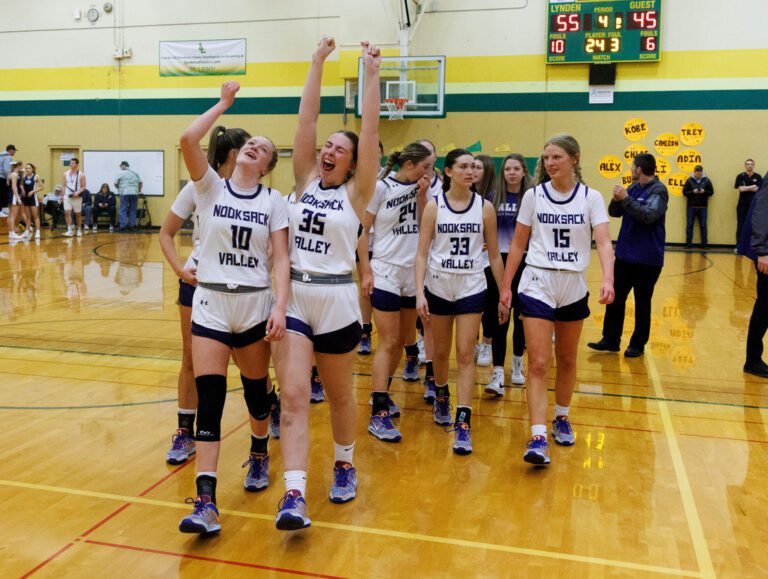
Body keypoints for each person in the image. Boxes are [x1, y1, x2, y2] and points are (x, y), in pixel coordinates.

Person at [270, 37, 381, 530]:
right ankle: (293, 493)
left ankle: (344, 463)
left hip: (338, 296)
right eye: (329, 147)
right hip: (294, 293)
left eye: (342, 148)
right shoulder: (303, 180)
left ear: (355, 163)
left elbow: (372, 128)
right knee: (293, 396)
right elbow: (307, 122)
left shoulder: (359, 192)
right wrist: (316, 62)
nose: (331, 149)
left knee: (339, 395)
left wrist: (371, 73)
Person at [176, 82, 289, 535]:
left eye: (261, 149)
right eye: (249, 144)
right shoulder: (209, 188)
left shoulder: (273, 201)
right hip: (211, 304)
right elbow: (187, 140)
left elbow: (281, 258)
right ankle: (206, 501)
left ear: (265, 167)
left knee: (257, 395)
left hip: (254, 304)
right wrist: (223, 105)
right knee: (211, 398)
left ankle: (259, 452)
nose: (252, 147)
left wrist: (280, 305)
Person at [500, 134, 614, 466]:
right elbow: (518, 246)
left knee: (566, 359)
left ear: (574, 159)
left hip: (573, 284)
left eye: (556, 157)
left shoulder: (591, 198)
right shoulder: (533, 196)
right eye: (546, 158)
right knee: (537, 362)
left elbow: (604, 243)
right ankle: (537, 435)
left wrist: (608, 278)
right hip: (537, 280)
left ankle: (561, 415)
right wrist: (506, 286)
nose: (550, 163)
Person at [415, 148, 507, 455]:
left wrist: (504, 292)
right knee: (440, 352)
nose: (471, 171)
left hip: (471, 285)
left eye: (474, 167)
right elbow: (422, 253)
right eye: (464, 166)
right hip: (439, 285)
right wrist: (418, 292)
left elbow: (493, 254)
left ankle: (463, 420)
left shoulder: (484, 208)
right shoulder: (433, 207)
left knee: (465, 354)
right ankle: (442, 393)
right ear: (450, 171)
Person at [363, 141, 434, 442]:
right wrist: (365, 270)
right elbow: (361, 230)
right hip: (385, 270)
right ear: (409, 165)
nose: (430, 172)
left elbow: (426, 224)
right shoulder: (381, 188)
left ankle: (382, 391)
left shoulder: (427, 189)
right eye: (426, 166)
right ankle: (378, 411)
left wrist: (422, 196)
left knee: (404, 339)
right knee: (388, 340)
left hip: (413, 272)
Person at [588, 153, 668, 358]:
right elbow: (615, 213)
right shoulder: (632, 188)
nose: (631, 169)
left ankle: (637, 344)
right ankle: (611, 339)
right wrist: (617, 200)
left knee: (642, 302)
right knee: (615, 299)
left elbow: (649, 215)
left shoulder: (659, 190)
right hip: (625, 256)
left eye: (633, 166)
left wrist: (626, 199)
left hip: (648, 259)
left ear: (639, 169)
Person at [484, 153, 530, 396]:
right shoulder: (493, 198)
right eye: (507, 169)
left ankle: (518, 364)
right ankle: (498, 372)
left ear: (524, 171)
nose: (511, 173)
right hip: (498, 262)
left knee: (522, 317)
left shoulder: (532, 197)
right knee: (499, 315)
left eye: (516, 168)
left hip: (525, 262)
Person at [472, 154, 497, 367]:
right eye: (470, 167)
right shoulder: (464, 195)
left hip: (489, 260)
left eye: (477, 167)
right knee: (471, 305)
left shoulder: (494, 198)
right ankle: (474, 341)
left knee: (489, 304)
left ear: (487, 170)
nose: (473, 171)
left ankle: (487, 343)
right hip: (469, 259)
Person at [744, 179, 768, 377]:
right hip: (767, 255)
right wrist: (762, 251)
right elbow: (761, 211)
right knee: (765, 306)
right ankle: (752, 360)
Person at [683, 164, 714, 249]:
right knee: (689, 225)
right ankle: (688, 244)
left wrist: (704, 191)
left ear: (702, 172)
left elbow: (711, 192)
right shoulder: (689, 180)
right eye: (697, 173)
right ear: (694, 172)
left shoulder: (707, 180)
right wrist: (693, 191)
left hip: (703, 207)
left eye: (700, 173)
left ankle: (704, 245)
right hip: (691, 206)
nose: (698, 175)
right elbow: (684, 192)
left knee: (703, 226)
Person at [735, 159, 762, 253]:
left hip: (753, 205)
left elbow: (758, 189)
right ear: (745, 165)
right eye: (748, 164)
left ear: (754, 165)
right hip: (742, 205)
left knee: (752, 226)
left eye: (751, 164)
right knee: (741, 225)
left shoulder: (758, 176)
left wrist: (746, 187)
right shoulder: (740, 176)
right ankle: (738, 247)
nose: (749, 166)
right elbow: (741, 189)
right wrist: (752, 186)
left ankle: (751, 248)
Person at [115, 161, 142, 231]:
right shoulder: (135, 172)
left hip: (124, 193)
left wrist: (119, 188)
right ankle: (131, 226)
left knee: (123, 209)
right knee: (133, 210)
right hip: (134, 193)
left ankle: (122, 226)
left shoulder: (120, 173)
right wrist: (138, 191)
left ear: (122, 166)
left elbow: (115, 183)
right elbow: (140, 182)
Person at [62, 157, 86, 237]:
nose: (70, 164)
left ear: (77, 164)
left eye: (72, 163)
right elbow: (64, 186)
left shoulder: (81, 174)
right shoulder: (65, 173)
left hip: (77, 196)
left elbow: (84, 186)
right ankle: (69, 230)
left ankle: (79, 229)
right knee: (67, 213)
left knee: (78, 214)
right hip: (67, 196)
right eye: (70, 163)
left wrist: (78, 192)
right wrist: (62, 196)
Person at [20, 163, 43, 239]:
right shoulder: (24, 176)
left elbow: (42, 187)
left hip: (33, 198)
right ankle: (27, 231)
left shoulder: (36, 176)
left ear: (32, 169)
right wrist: (22, 190)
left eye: (29, 168)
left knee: (35, 216)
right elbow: (21, 185)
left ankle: (38, 231)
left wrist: (33, 191)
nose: (27, 170)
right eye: (26, 168)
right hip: (26, 198)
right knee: (28, 216)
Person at [8, 161, 28, 240]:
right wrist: (18, 198)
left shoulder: (13, 173)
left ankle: (11, 233)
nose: (21, 168)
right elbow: (14, 187)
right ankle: (12, 233)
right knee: (13, 215)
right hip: (14, 196)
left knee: (11, 215)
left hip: (12, 195)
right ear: (18, 166)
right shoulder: (15, 174)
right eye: (21, 166)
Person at [0, 144, 17, 217]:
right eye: (14, 151)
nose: (14, 153)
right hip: (2, 178)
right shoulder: (8, 157)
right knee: (4, 194)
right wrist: (9, 179)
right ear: (10, 150)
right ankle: (4, 210)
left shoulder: (1, 155)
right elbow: (7, 170)